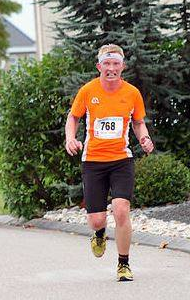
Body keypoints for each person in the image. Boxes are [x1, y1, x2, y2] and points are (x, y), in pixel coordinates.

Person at [65, 44, 154, 282]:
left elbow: (138, 122)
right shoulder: (88, 91)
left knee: (121, 209)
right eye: (107, 64)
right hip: (93, 161)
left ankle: (123, 264)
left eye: (116, 64)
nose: (111, 68)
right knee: (97, 219)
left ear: (122, 67)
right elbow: (73, 117)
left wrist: (144, 138)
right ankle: (100, 233)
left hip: (121, 160)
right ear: (99, 66)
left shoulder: (132, 93)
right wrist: (70, 138)